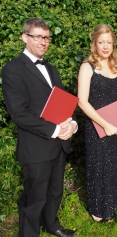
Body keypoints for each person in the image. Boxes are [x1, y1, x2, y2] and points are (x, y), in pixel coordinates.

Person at [1, 18, 77, 237]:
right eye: (38, 37)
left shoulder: (51, 68)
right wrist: (55, 130)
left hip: (59, 144)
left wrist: (71, 123)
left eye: (46, 38)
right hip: (36, 147)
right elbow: (19, 113)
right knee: (34, 198)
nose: (44, 42)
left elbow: (62, 103)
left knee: (55, 192)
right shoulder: (12, 70)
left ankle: (52, 226)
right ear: (25, 37)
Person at [77, 24, 117, 222]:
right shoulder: (87, 66)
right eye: (101, 42)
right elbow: (82, 101)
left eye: (109, 42)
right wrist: (105, 124)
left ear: (113, 44)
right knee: (99, 166)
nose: (105, 46)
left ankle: (113, 204)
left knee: (114, 165)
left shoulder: (116, 66)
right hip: (97, 126)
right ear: (94, 43)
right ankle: (98, 212)